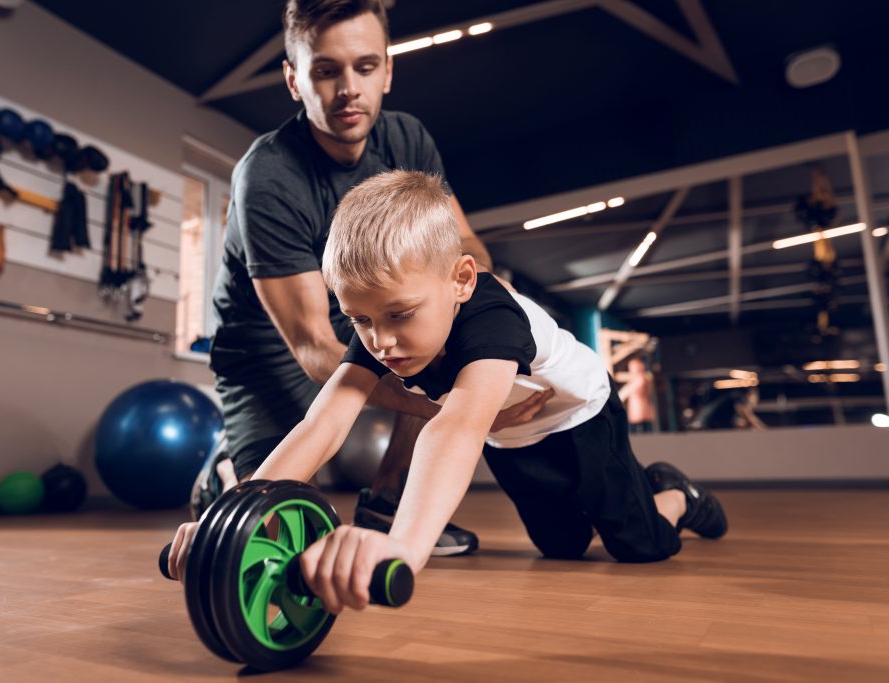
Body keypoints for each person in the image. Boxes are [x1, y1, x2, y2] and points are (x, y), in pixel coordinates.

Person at [169, 171, 729, 610]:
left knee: (641, 546)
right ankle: (637, 498)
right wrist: (229, 517)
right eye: (358, 320)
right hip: (512, 439)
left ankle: (677, 493)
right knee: (562, 546)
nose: (380, 341)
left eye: (400, 314)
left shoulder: (489, 315)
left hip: (579, 419)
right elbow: (324, 423)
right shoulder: (380, 325)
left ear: (461, 280)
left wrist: (403, 549)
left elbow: (456, 426)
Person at [205, 0, 549, 555]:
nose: (348, 89)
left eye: (365, 67)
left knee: (436, 323)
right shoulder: (267, 175)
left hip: (367, 326)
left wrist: (486, 346)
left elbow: (464, 251)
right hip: (268, 357)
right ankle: (222, 470)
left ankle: (387, 497)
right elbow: (313, 343)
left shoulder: (406, 139)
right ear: (294, 80)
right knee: (280, 534)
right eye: (325, 70)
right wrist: (451, 403)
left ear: (388, 70)